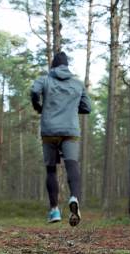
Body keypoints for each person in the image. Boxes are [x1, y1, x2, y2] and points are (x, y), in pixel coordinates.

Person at [30, 52, 91, 226]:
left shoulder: (45, 80)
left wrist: (39, 107)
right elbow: (88, 107)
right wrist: (70, 109)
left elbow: (34, 91)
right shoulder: (77, 84)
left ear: (53, 66)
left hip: (49, 131)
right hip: (70, 130)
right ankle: (74, 197)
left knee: (51, 170)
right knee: (72, 165)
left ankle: (54, 210)